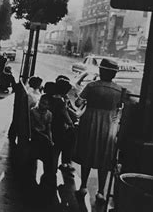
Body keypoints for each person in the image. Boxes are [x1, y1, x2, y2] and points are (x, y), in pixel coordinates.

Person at [74, 58, 122, 203]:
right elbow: (123, 106)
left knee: (87, 152)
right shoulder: (119, 90)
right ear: (114, 75)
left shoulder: (91, 86)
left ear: (100, 71)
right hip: (109, 124)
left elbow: (78, 102)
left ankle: (83, 186)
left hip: (90, 121)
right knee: (105, 156)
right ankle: (101, 192)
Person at [29, 94, 55, 190]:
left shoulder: (49, 114)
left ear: (48, 106)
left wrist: (50, 140)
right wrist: (45, 137)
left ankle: (47, 176)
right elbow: (32, 127)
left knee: (49, 153)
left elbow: (48, 129)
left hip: (44, 136)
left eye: (45, 104)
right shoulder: (33, 111)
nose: (42, 105)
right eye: (41, 102)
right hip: (35, 135)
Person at [52, 76, 76, 173]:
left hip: (53, 126)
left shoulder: (54, 97)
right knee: (70, 138)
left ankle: (63, 163)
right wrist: (71, 123)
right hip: (59, 128)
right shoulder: (60, 101)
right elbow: (65, 114)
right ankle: (65, 163)